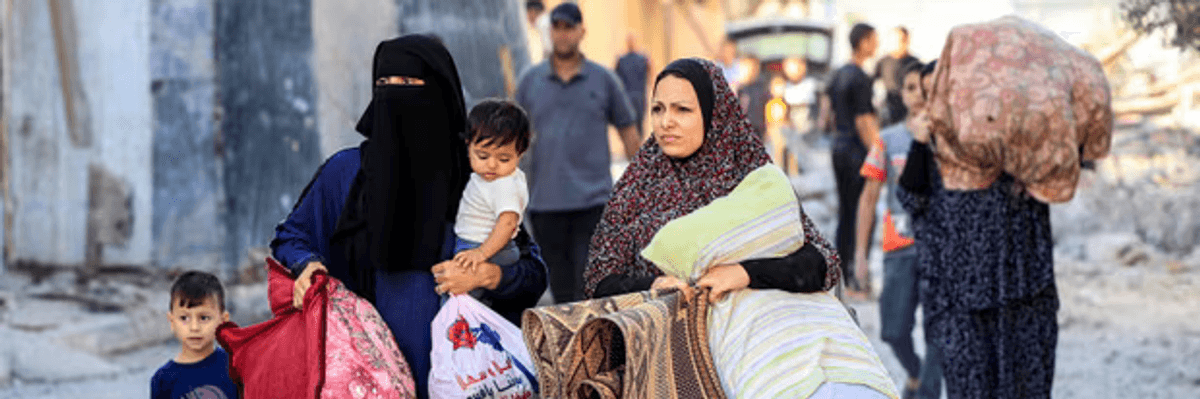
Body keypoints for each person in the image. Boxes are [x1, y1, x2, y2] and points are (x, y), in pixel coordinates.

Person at [584, 57, 898, 398]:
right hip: (687, 362)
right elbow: (600, 280)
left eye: (682, 110)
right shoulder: (636, 187)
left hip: (784, 334)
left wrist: (744, 273)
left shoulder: (752, 175)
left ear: (714, 112)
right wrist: (654, 284)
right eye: (657, 109)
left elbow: (822, 261)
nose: (665, 122)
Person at [270, 35, 547, 399]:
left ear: (439, 93)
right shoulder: (347, 173)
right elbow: (292, 238)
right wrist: (308, 265)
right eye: (383, 84)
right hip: (367, 376)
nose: (393, 95)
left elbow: (532, 272)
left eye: (406, 84)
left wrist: (488, 275)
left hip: (464, 375)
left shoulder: (477, 178)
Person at [898, 59, 1058, 398]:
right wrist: (920, 144)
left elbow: (1055, 174)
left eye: (938, 93)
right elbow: (910, 199)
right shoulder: (929, 149)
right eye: (925, 95)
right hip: (958, 301)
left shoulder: (1005, 142)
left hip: (1020, 297)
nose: (930, 104)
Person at [515, 2, 639, 303]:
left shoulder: (604, 79)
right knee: (560, 290)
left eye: (569, 27)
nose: (563, 34)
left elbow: (628, 130)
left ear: (582, 31)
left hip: (593, 202)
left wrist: (641, 186)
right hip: (546, 203)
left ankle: (597, 348)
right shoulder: (530, 81)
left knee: (592, 285)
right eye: (557, 27)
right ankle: (571, 349)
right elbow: (514, 139)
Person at [855, 61, 943, 399]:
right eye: (909, 88)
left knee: (940, 333)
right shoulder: (888, 140)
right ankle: (916, 374)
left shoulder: (949, 136)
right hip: (899, 248)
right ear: (901, 94)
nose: (917, 95)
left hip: (939, 249)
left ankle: (926, 392)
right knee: (892, 330)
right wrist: (860, 255)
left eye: (923, 88)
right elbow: (868, 199)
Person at [826, 22, 880, 294]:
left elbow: (827, 116)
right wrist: (879, 151)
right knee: (863, 214)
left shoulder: (837, 75)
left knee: (845, 214)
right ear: (863, 42)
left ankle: (842, 276)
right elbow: (864, 120)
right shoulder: (860, 77)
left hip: (838, 148)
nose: (876, 44)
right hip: (857, 152)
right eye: (873, 39)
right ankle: (858, 279)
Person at [452, 99, 531, 271]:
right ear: (468, 145)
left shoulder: (504, 185)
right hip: (484, 246)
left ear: (521, 153)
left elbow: (508, 223)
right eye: (482, 156)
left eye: (504, 159)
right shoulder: (493, 179)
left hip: (487, 247)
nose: (492, 165)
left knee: (456, 293)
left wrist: (481, 253)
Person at [151, 271, 237, 399]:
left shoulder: (235, 366)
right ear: (172, 321)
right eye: (184, 318)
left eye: (204, 318)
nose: (194, 327)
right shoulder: (163, 379)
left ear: (223, 321)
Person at [874, 26, 919, 126]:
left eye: (902, 40)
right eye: (896, 40)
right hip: (888, 113)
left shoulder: (915, 63)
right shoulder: (883, 62)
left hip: (910, 113)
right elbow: (871, 84)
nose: (899, 43)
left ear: (907, 40)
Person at [615, 32, 651, 137]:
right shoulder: (621, 60)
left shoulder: (644, 59)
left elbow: (650, 74)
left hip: (639, 96)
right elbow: (616, 79)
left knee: (639, 124)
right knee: (628, 124)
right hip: (626, 97)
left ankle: (640, 149)